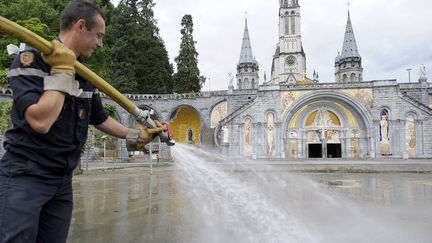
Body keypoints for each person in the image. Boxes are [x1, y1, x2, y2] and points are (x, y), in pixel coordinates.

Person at [0, 1, 161, 242]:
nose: (100, 43)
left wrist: (136, 135)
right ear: (81, 26)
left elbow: (100, 118)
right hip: (26, 176)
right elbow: (40, 121)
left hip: (62, 181)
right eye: (98, 36)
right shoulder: (32, 61)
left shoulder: (85, 75)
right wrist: (62, 71)